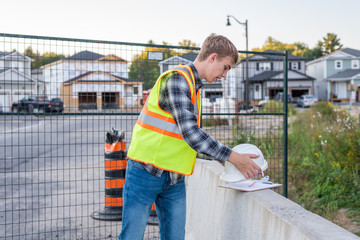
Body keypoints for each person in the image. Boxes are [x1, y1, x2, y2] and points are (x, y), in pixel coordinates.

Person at [119, 33, 262, 240]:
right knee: (131, 236)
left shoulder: (194, 87)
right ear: (212, 57)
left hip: (174, 177)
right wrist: (230, 156)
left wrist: (220, 157)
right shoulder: (177, 79)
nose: (225, 75)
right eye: (226, 68)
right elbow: (191, 133)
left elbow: (181, 137)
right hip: (145, 172)